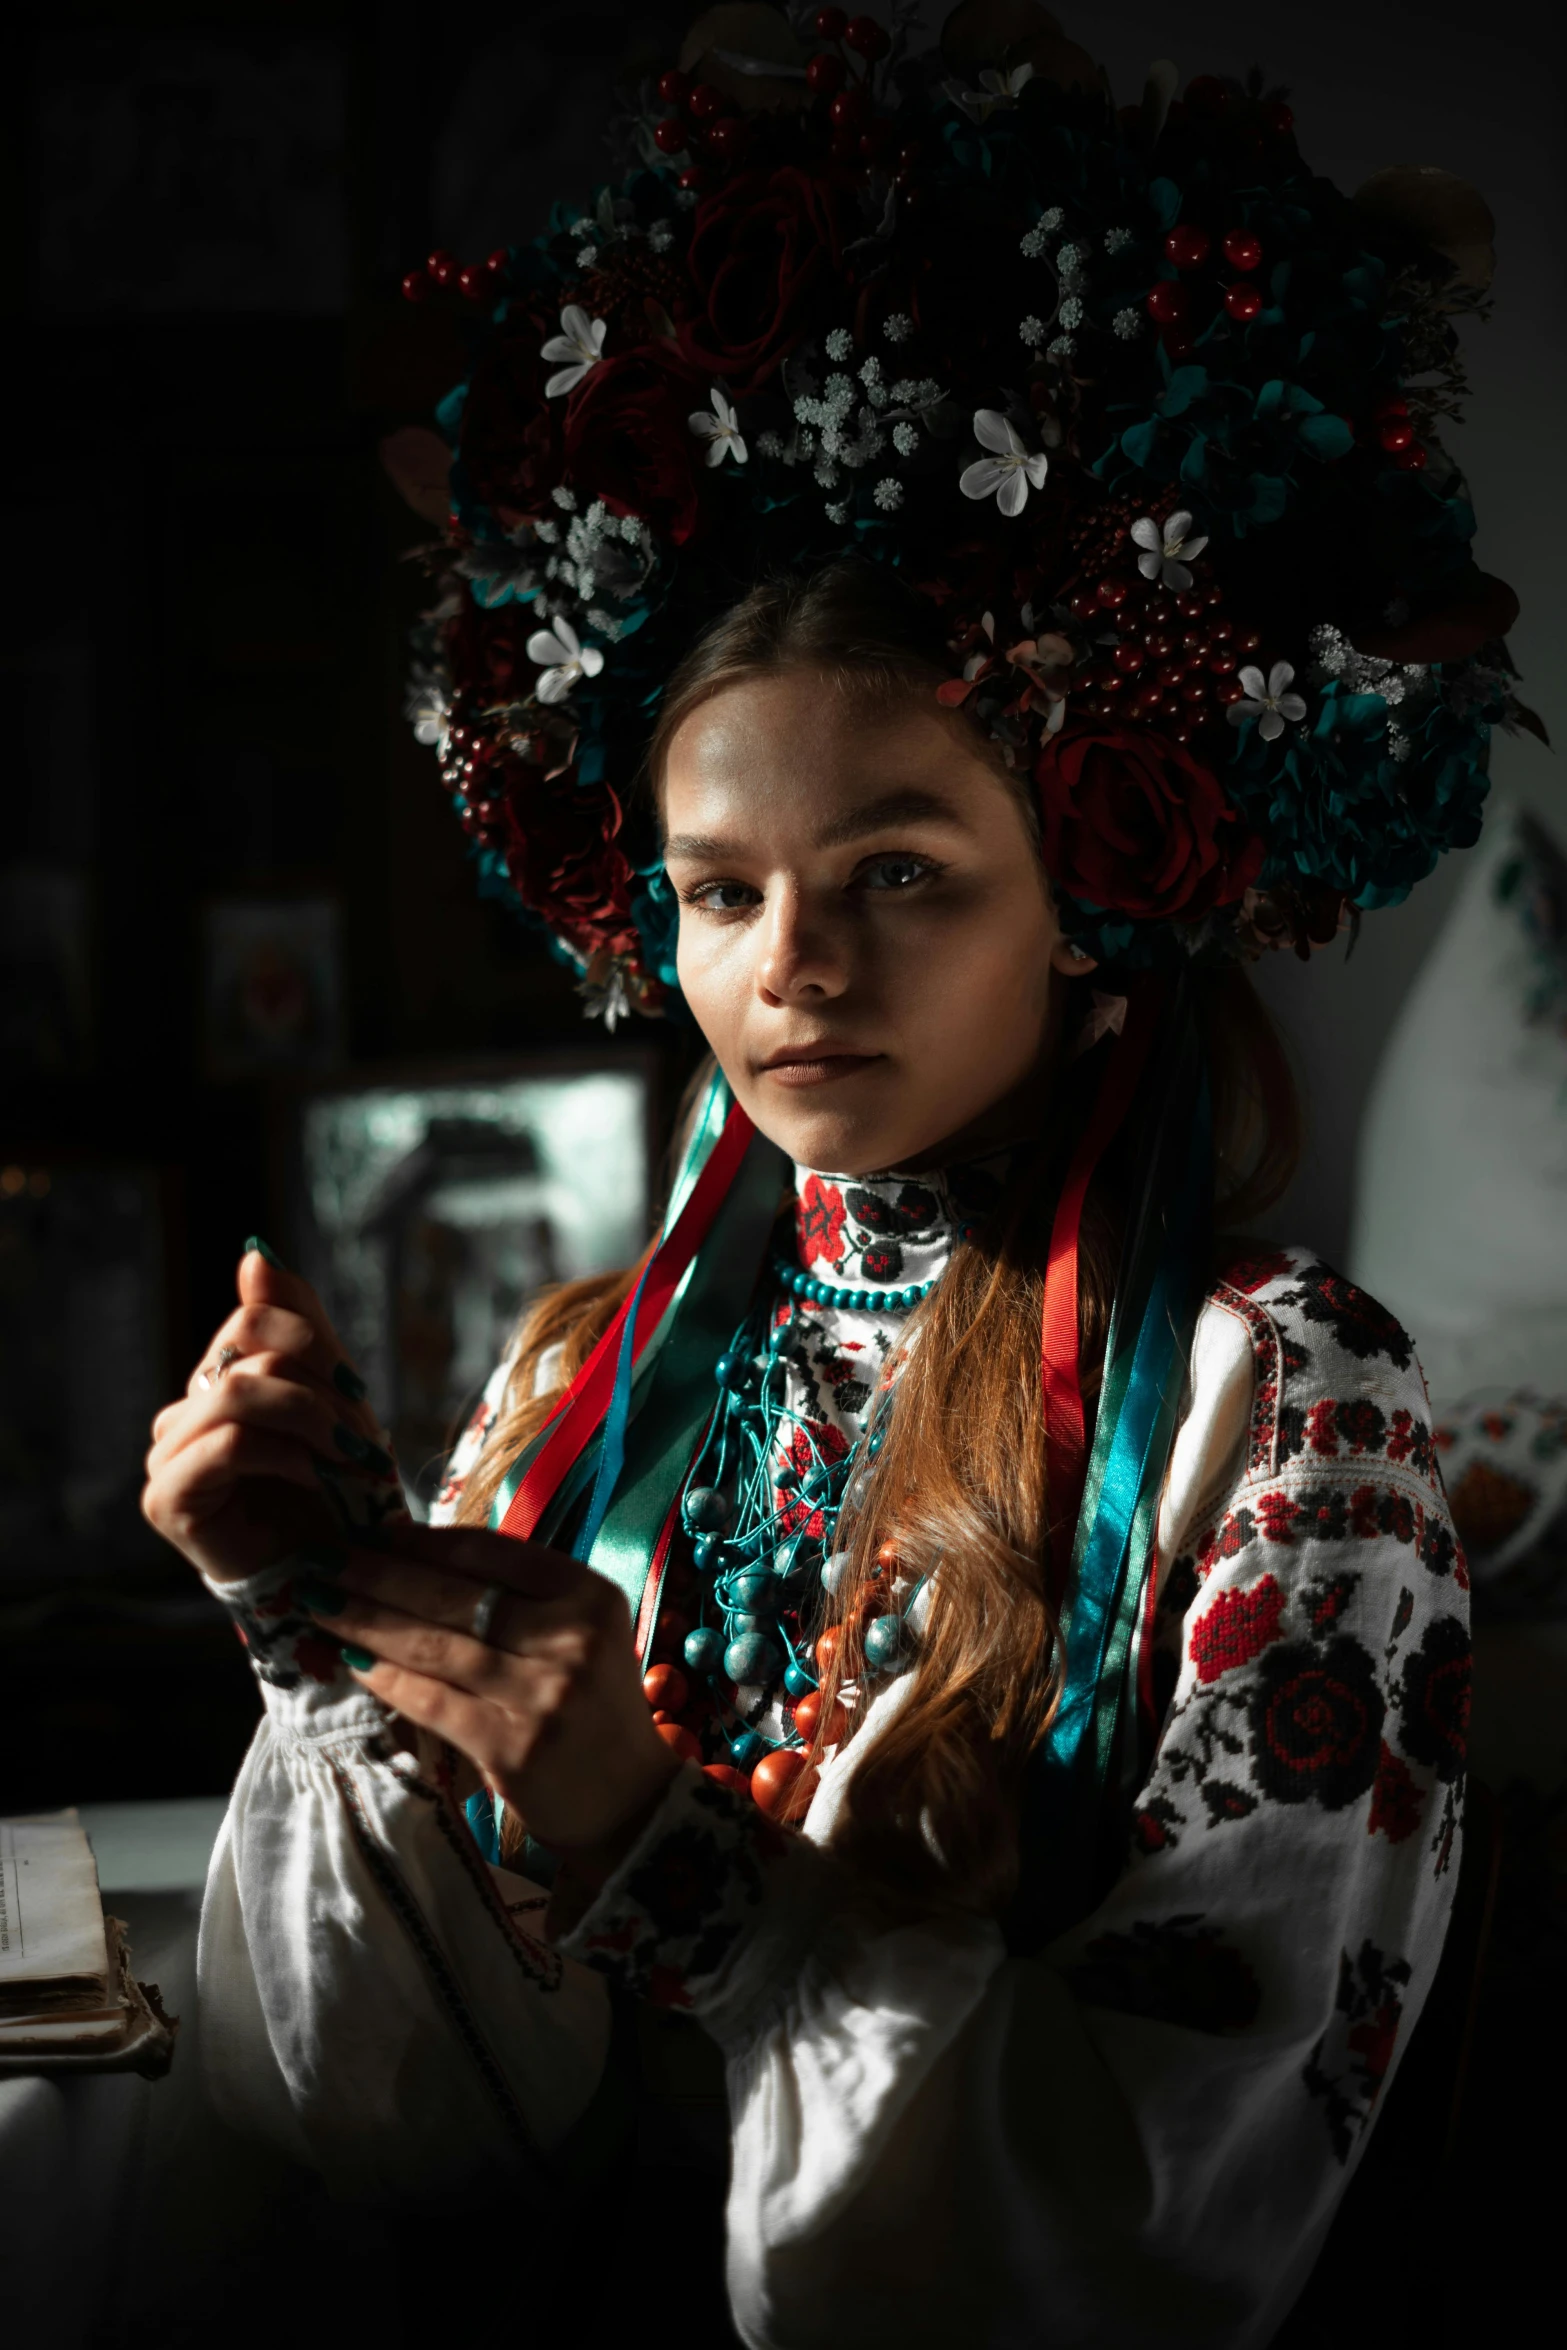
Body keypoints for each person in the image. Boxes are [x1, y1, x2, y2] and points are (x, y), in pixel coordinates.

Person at [143, 7, 1527, 2341]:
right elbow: (402, 2125)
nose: (790, 971)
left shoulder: (1290, 1413)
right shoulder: (589, 1376)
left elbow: (1162, 2224)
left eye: (897, 874)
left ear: (1092, 904)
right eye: (716, 889)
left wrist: (660, 1855)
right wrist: (318, 1626)